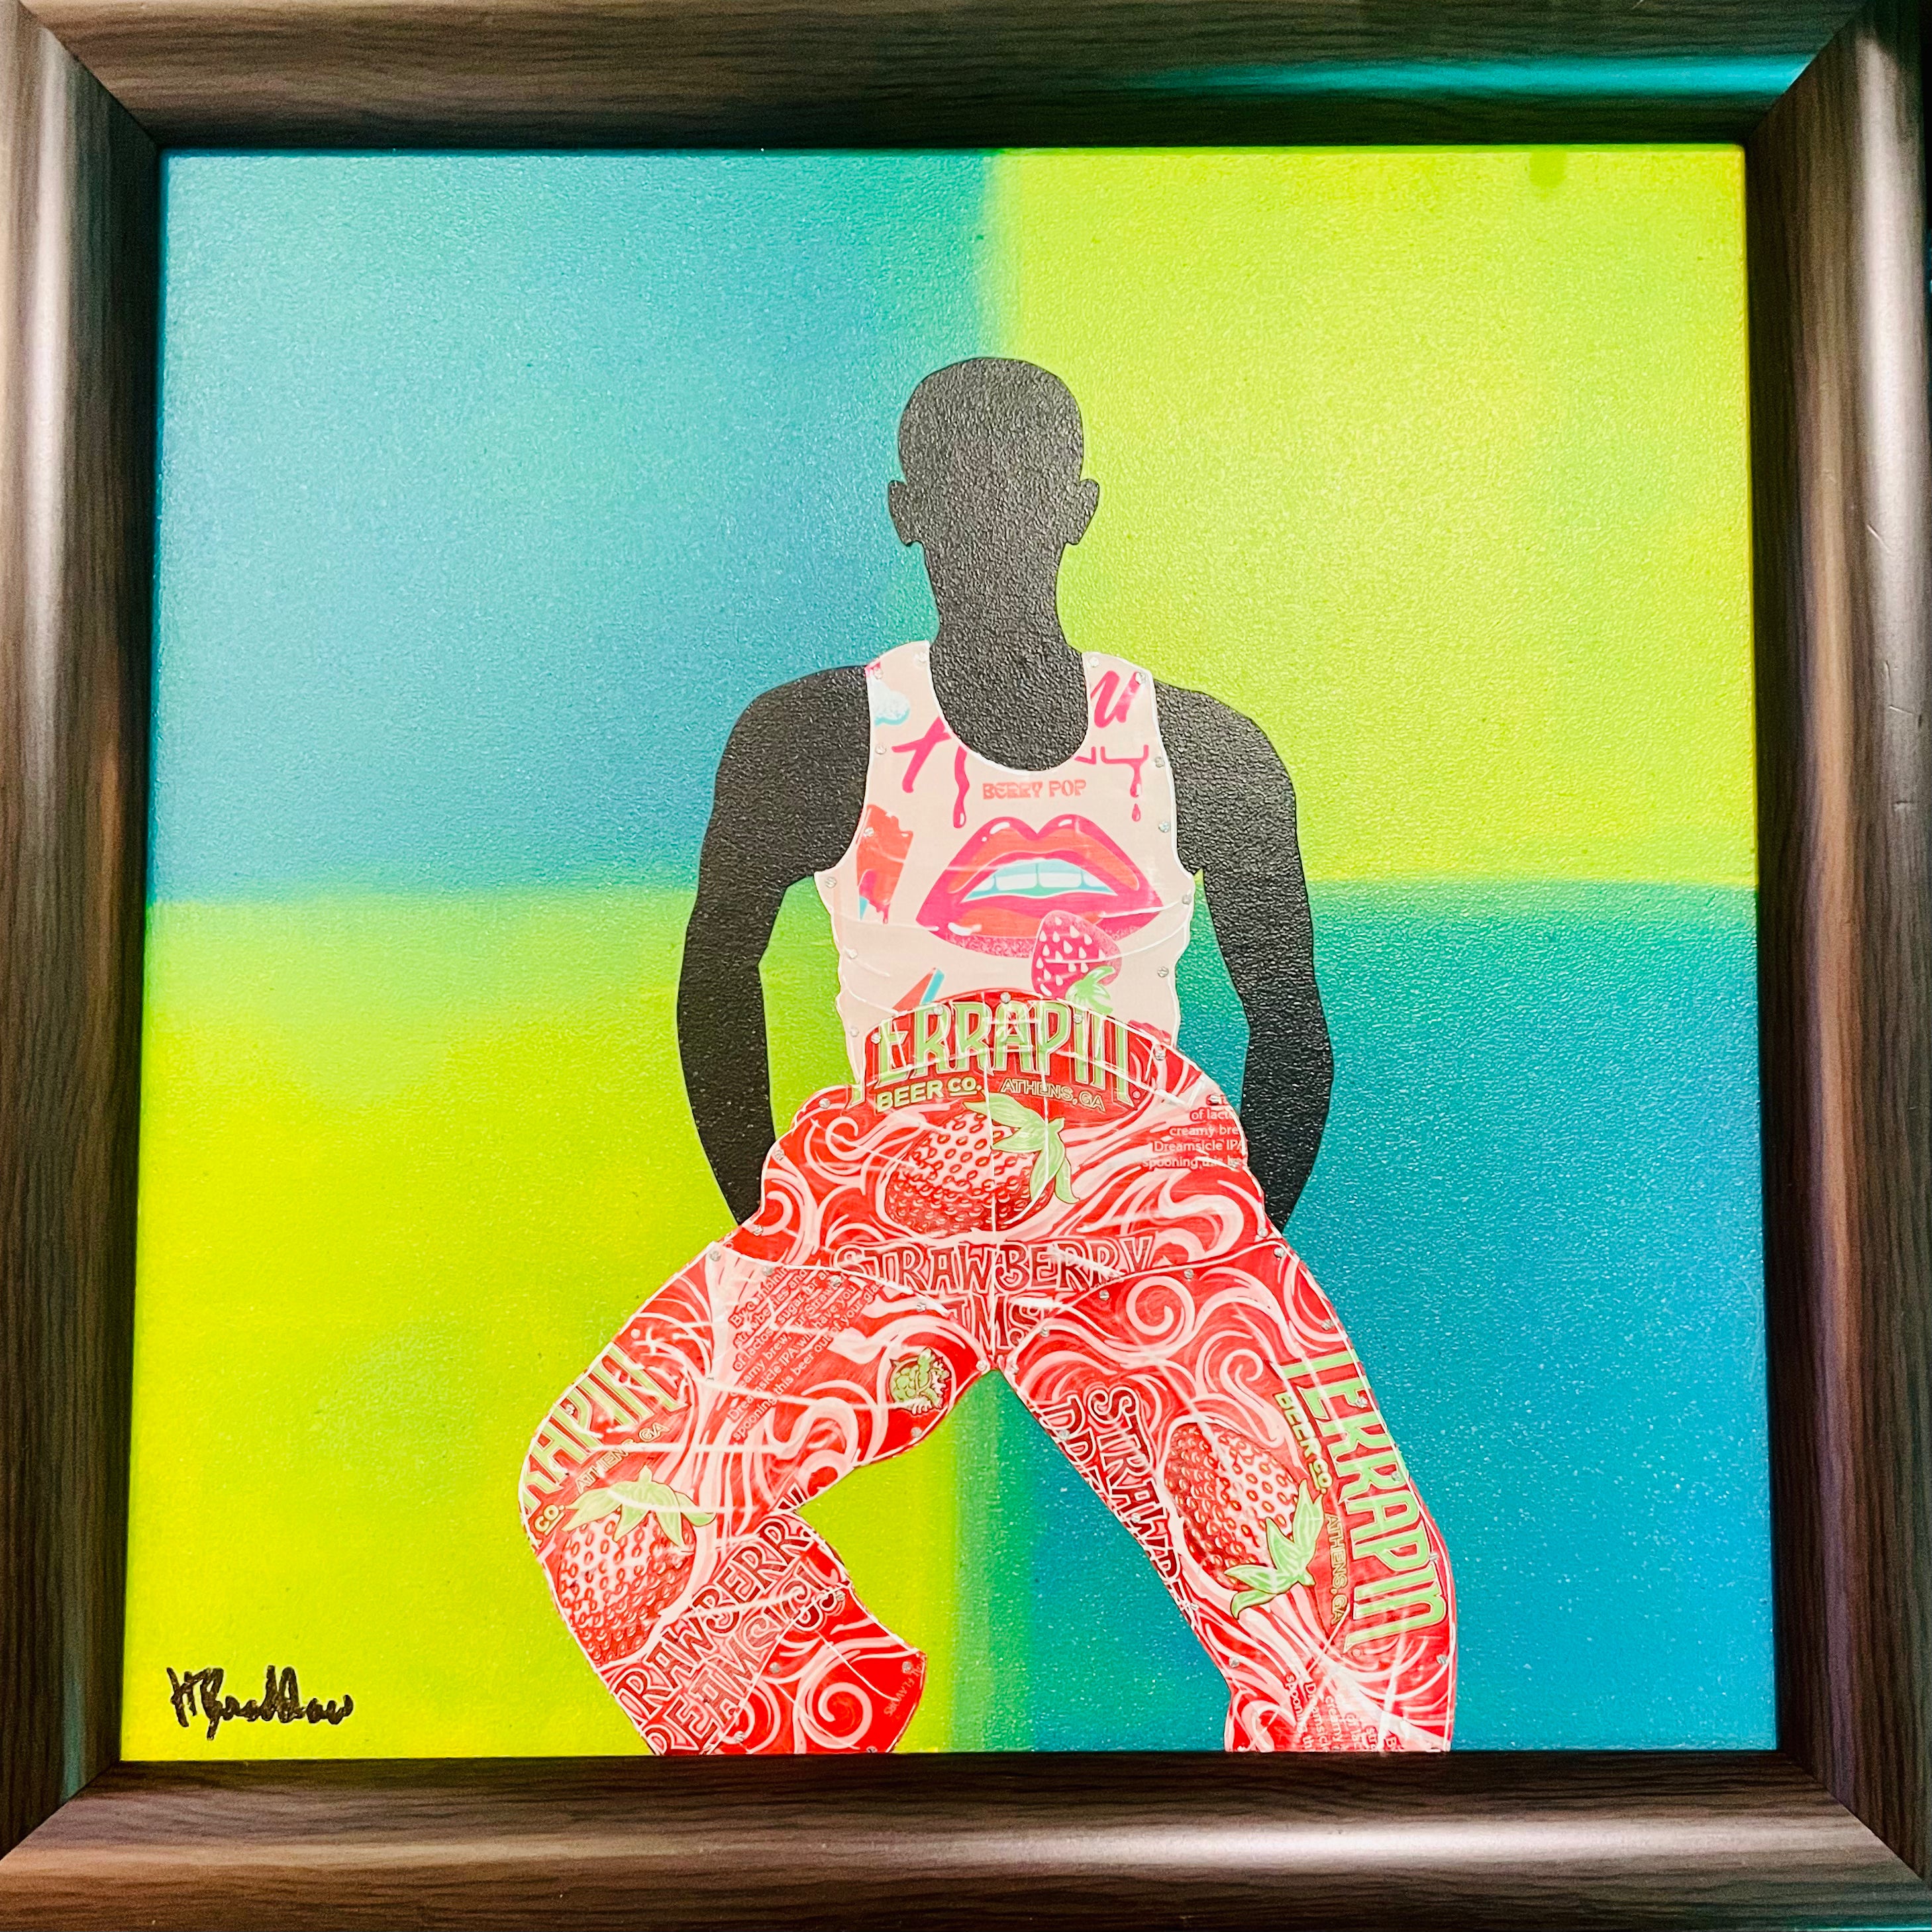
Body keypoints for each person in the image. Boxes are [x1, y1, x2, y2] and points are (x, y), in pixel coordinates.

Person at [520, 358, 1455, 1753]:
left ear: (1078, 510)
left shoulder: (1203, 748)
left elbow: (1291, 1027)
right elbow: (716, 974)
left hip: (1142, 1197)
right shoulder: (816, 733)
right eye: (960, 498)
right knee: (599, 1484)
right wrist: (785, 1240)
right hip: (890, 1193)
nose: (994, 525)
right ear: (908, 513)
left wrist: (1222, 1257)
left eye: (1022, 496)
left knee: (1360, 1610)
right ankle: (834, 1750)